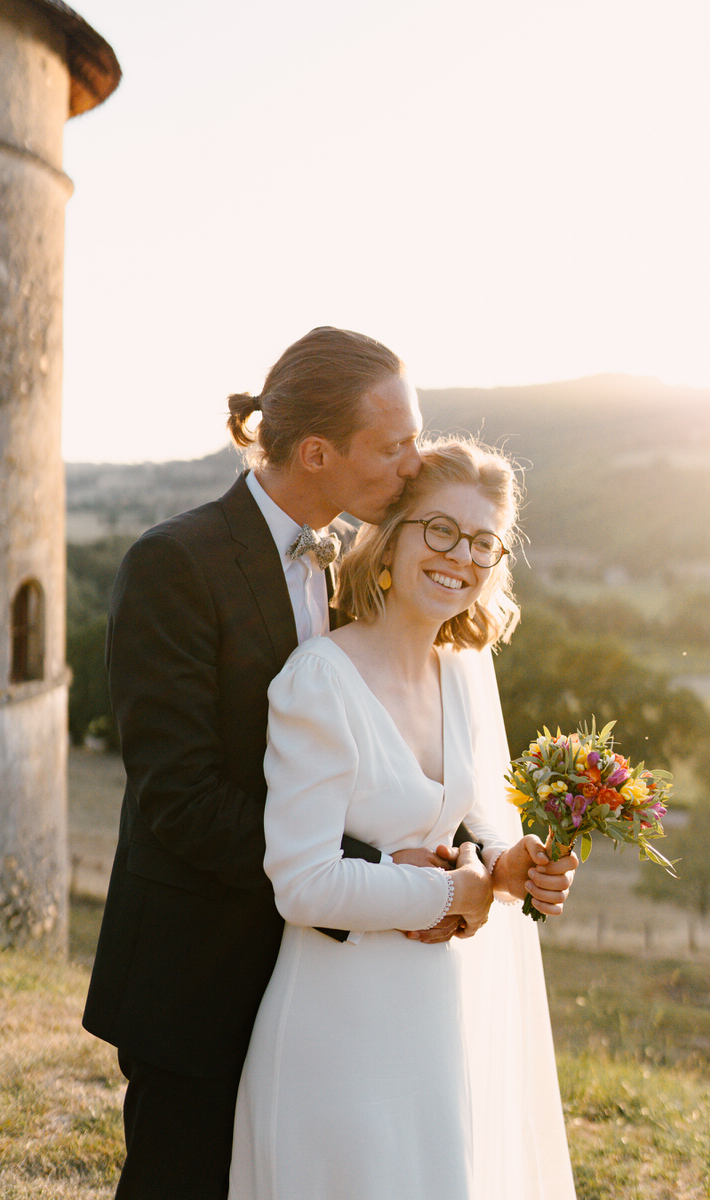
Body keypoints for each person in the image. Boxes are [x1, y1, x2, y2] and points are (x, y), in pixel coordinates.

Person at [82, 327, 572, 1199]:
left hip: (344, 974)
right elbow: (180, 797)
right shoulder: (175, 562)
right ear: (317, 452)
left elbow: (390, 767)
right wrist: (393, 877)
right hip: (203, 963)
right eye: (394, 446)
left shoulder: (356, 573)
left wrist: (480, 857)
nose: (414, 464)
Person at [229, 438, 578, 1200]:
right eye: (441, 530)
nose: (461, 556)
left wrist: (510, 865)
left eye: (483, 542)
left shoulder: (463, 673)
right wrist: (451, 894)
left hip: (436, 1019)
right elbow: (303, 882)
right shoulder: (321, 679)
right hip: (337, 1028)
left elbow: (474, 825)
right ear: (391, 538)